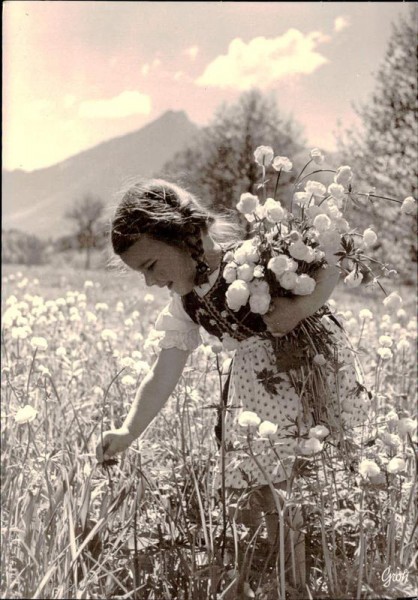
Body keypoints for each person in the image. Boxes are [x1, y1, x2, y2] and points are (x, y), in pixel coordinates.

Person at [95, 178, 371, 586]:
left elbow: (331, 255)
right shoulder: (185, 305)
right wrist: (128, 430)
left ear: (185, 233)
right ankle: (280, 569)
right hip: (261, 393)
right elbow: (162, 373)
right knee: (266, 486)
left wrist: (302, 308)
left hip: (304, 370)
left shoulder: (256, 259)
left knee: (283, 484)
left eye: (151, 267)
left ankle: (297, 579)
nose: (150, 282)